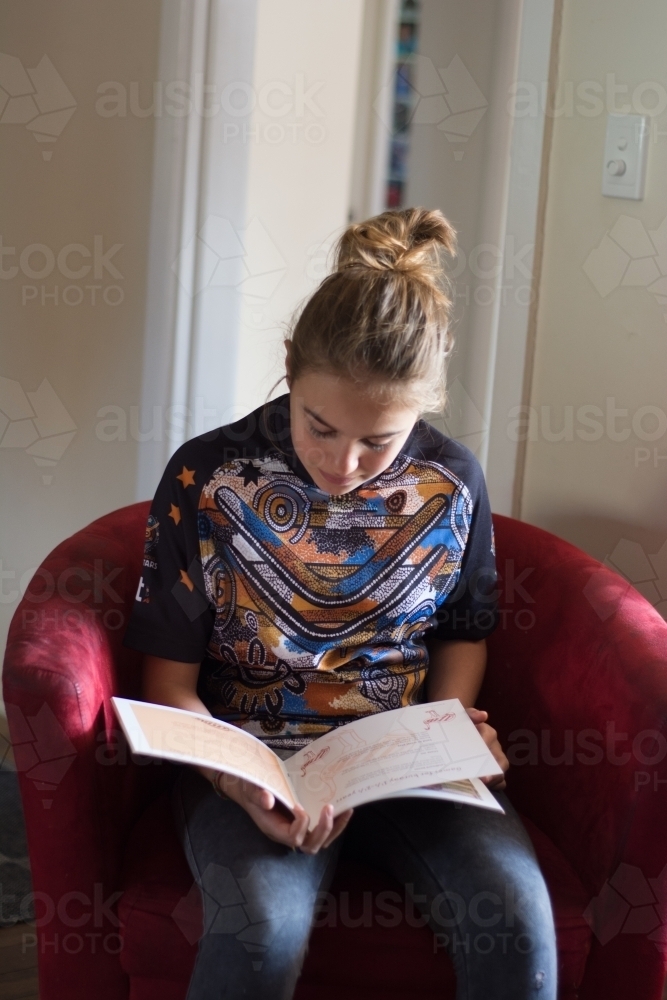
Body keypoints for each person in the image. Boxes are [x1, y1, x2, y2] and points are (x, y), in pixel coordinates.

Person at [122, 207, 557, 999]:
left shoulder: (452, 482)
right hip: (252, 763)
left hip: (401, 767)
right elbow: (169, 686)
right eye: (320, 428)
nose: (343, 463)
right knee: (258, 931)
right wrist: (241, 786)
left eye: (378, 441)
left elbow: (464, 631)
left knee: (517, 925)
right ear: (289, 366)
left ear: (422, 410)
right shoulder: (208, 477)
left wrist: (449, 726)